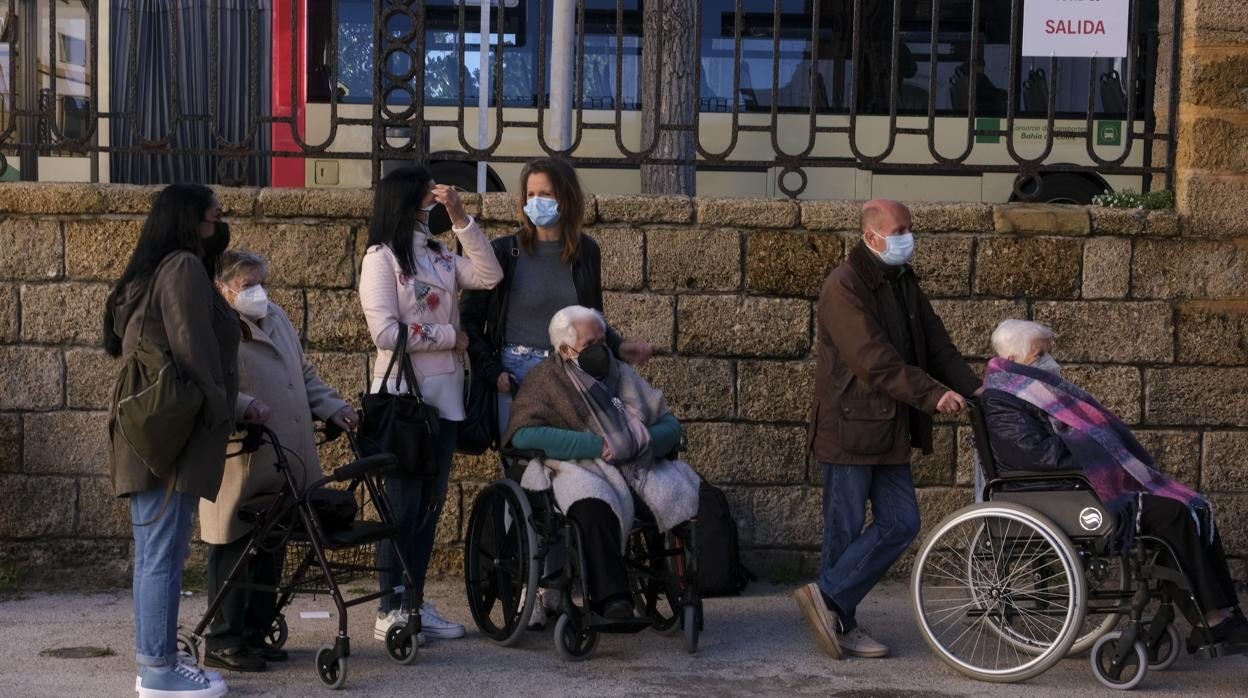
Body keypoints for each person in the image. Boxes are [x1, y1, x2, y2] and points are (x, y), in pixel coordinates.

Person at [981, 319, 1248, 652]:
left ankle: (1223, 610)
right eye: (1041, 353)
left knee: (1193, 506)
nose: (1050, 360)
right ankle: (1208, 619)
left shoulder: (1028, 388)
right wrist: (1096, 447)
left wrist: (1095, 445)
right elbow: (1034, 456)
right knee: (1173, 515)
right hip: (1059, 492)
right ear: (1015, 357)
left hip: (1076, 485)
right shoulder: (1001, 398)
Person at [796, 199, 980, 660]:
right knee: (845, 529)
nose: (907, 237)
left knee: (902, 522)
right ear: (871, 236)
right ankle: (842, 622)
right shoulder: (843, 285)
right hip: (850, 429)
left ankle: (828, 598)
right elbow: (872, 359)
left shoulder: (902, 281)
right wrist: (932, 395)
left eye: (909, 228)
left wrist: (977, 391)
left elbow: (937, 343)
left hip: (888, 428)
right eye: (899, 230)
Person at [359, 166, 503, 644]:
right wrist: (450, 337)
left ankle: (413, 602)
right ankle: (389, 607)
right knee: (400, 507)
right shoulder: (380, 259)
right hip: (403, 400)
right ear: (405, 202)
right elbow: (383, 331)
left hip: (444, 402)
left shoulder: (441, 255)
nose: (433, 202)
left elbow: (488, 273)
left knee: (428, 508)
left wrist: (462, 219)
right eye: (426, 196)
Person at [104, 184, 237, 698]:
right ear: (189, 222)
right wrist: (224, 409)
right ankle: (157, 669)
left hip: (150, 425)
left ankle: (156, 658)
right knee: (162, 552)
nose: (219, 226)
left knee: (156, 550)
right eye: (214, 218)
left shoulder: (151, 271)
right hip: (170, 430)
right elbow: (196, 352)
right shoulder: (181, 267)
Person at [197, 249, 358, 673]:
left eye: (260, 282)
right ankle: (223, 638)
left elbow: (303, 375)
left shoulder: (277, 317)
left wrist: (333, 407)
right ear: (223, 287)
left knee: (273, 543)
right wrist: (245, 405)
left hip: (286, 454)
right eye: (247, 285)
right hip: (242, 457)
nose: (257, 292)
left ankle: (255, 631)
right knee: (234, 545)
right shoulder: (214, 327)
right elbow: (208, 386)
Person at [503, 306, 699, 621]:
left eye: (603, 341)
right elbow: (524, 434)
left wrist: (637, 441)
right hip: (576, 466)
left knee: (672, 490)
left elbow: (671, 426)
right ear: (565, 349)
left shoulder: (622, 374)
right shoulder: (546, 379)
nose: (601, 350)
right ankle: (613, 599)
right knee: (593, 506)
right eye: (591, 344)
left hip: (632, 463)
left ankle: (677, 584)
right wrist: (598, 446)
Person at [460, 157, 653, 447]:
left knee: (575, 459)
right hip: (515, 375)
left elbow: (591, 319)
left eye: (546, 194)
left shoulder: (587, 252)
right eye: (531, 195)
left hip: (573, 373)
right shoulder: (503, 252)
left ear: (566, 198)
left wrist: (620, 346)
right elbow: (469, 320)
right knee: (523, 460)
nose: (537, 202)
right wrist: (493, 372)